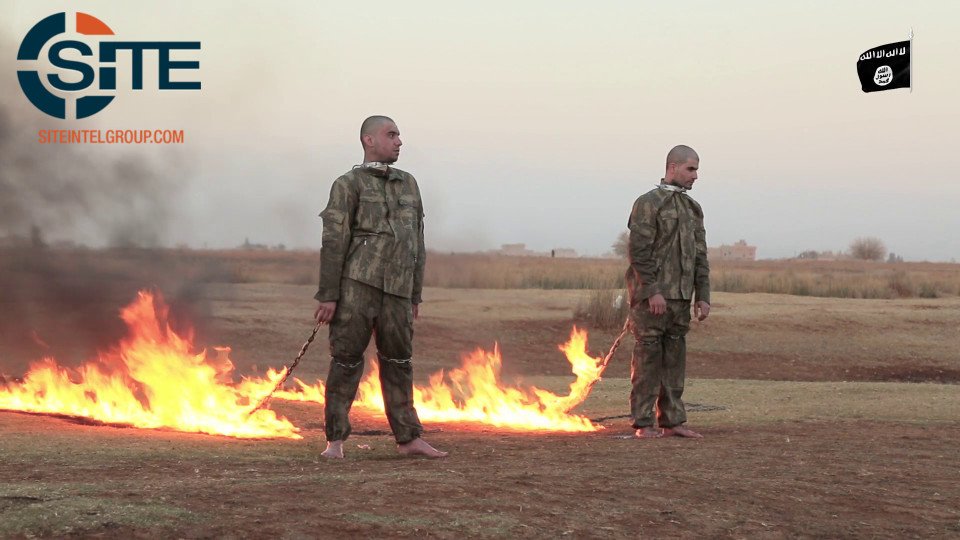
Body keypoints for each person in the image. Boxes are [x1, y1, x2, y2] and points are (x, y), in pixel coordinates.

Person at [313, 115, 447, 458]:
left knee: (399, 361)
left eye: (399, 135)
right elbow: (333, 242)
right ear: (369, 140)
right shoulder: (348, 184)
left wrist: (414, 293)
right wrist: (328, 295)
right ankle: (336, 441)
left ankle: (409, 439)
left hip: (399, 292)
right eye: (392, 135)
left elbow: (417, 241)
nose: (399, 141)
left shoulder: (409, 185)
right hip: (358, 287)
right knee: (345, 361)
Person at [625, 145, 710, 439]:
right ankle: (643, 423)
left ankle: (672, 421)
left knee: (674, 362)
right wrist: (652, 292)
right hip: (653, 302)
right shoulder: (648, 203)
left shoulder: (692, 209)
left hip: (681, 300)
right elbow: (638, 252)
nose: (696, 176)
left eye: (697, 169)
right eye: (691, 169)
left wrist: (703, 296)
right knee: (648, 360)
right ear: (672, 167)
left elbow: (700, 255)